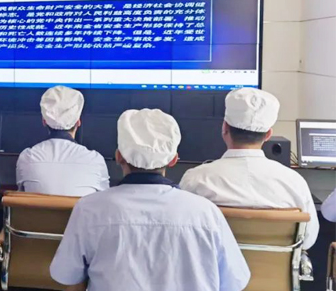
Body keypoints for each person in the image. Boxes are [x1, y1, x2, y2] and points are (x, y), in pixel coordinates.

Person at [50, 109, 250, 291]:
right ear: (173, 159)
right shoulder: (207, 213)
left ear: (119, 156)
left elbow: (65, 275)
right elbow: (235, 281)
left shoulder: (88, 209)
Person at [180, 88, 319, 249]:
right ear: (268, 134)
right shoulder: (294, 182)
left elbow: (183, 233)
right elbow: (307, 240)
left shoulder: (196, 179)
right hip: (274, 266)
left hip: (213, 266)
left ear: (224, 128)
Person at [16, 85, 109, 196]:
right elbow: (103, 200)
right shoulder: (95, 160)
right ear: (78, 122)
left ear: (44, 121)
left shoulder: (27, 158)